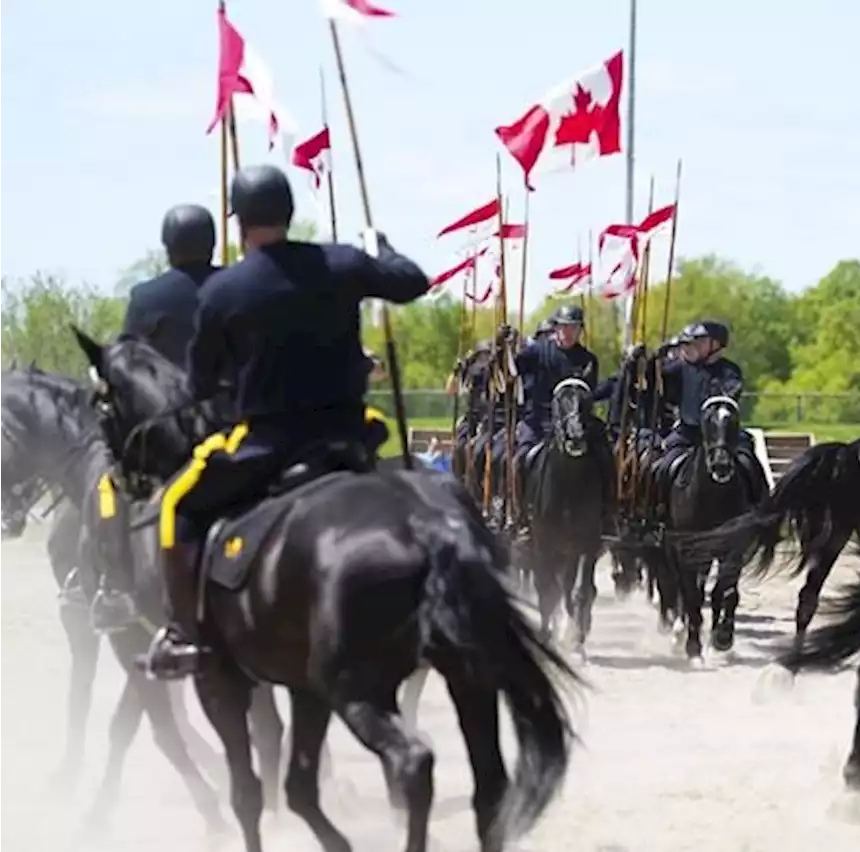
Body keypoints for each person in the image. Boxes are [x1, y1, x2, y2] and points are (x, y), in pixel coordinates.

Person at [140, 164, 432, 679]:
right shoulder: (343, 263)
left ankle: (186, 634)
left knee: (176, 509)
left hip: (268, 444)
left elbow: (200, 386)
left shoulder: (225, 290)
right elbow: (412, 282)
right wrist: (379, 249)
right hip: (350, 434)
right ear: (290, 213)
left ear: (238, 223)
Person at [500, 303, 612, 522]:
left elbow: (588, 393)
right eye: (564, 327)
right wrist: (505, 349)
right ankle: (520, 512)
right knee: (519, 459)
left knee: (605, 454)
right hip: (541, 421)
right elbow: (512, 370)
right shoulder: (538, 352)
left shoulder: (588, 359)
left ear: (581, 330)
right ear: (556, 328)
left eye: (574, 328)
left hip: (578, 423)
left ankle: (608, 511)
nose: (569, 332)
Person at [647, 321, 768, 500]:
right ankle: (659, 512)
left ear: (716, 345)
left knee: (751, 465)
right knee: (663, 468)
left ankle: (760, 509)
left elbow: (730, 392)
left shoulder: (729, 370)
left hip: (723, 435)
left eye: (700, 341)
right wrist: (653, 360)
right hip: (688, 432)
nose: (694, 346)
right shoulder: (680, 368)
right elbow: (655, 380)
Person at [122, 205, 218, 366]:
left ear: (168, 246)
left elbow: (129, 362)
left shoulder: (145, 298)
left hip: (169, 389)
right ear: (212, 243)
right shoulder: (239, 289)